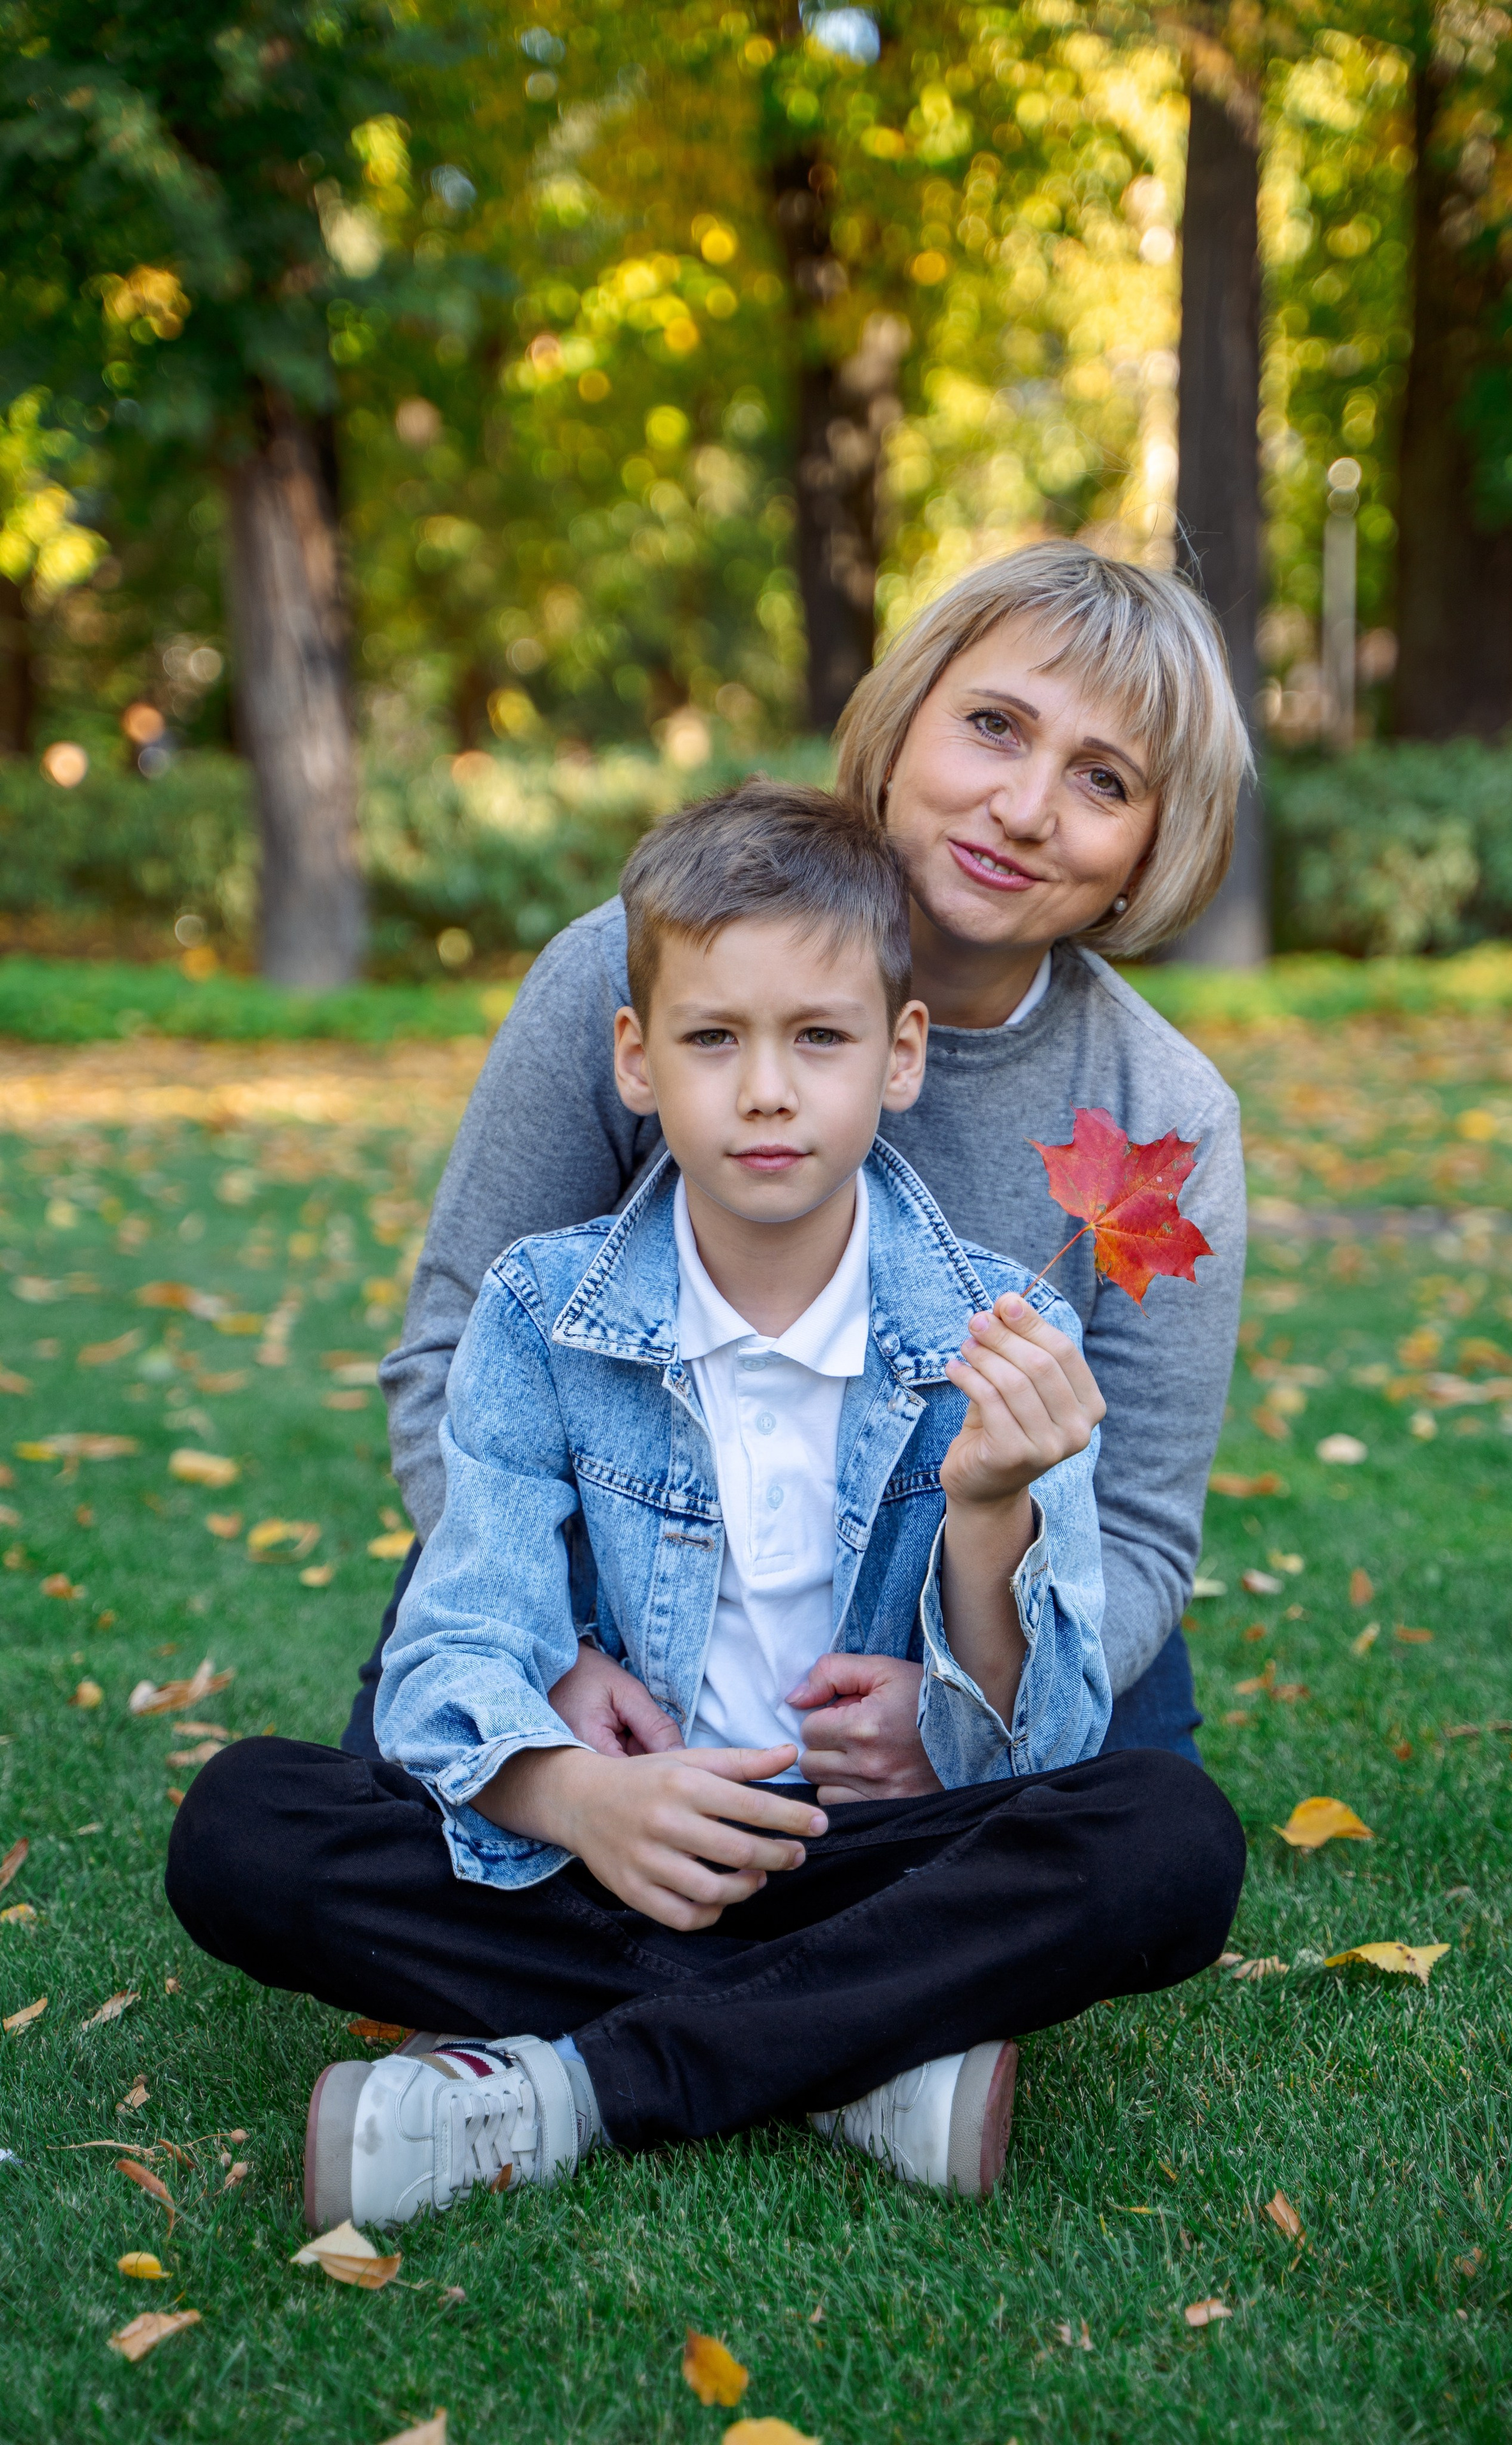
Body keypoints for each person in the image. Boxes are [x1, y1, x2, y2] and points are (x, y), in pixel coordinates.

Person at [167, 790, 1245, 2230]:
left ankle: (563, 2088)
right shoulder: (543, 1316)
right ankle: (857, 2057)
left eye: (818, 1038)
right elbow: (449, 1655)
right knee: (240, 1824)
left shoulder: (1002, 1329)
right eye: (712, 1039)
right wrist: (575, 1795)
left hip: (861, 1862)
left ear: (899, 1055)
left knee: (1165, 1836)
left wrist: (988, 1505)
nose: (765, 1091)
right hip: (603, 1851)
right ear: (634, 1058)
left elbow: (1031, 1749)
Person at [350, 539, 1250, 1795]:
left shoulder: (1163, 1121)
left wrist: (947, 1722)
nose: (1027, 805)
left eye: (1102, 780)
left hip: (983, 1619)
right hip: (603, 1578)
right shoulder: (632, 973)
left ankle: (712, 1977)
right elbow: (454, 1346)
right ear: (899, 726)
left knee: (1157, 1845)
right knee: (345, 1811)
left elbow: (1141, 1530)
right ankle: (778, 1951)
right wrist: (556, 1655)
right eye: (993, 726)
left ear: (1152, 844)